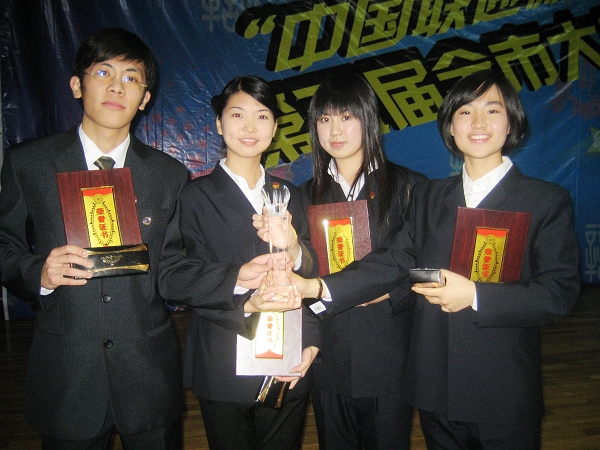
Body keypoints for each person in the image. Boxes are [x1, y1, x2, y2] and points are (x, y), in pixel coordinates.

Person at [291, 70, 580, 448]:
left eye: (492, 111)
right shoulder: (430, 198)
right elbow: (395, 260)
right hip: (435, 390)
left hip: (502, 389)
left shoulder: (544, 200)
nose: (478, 123)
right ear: (450, 128)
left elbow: (557, 292)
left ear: (511, 122)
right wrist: (317, 286)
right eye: (465, 112)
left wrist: (475, 294)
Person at [0, 28, 189, 449]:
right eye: (103, 72)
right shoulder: (29, 163)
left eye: (131, 77)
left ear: (145, 98)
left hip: (147, 371)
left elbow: (175, 266)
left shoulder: (169, 175)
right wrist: (38, 272)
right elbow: (3, 245)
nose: (116, 86)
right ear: (77, 84)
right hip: (68, 373)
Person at [158, 75, 320, 450]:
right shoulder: (193, 197)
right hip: (223, 360)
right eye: (237, 115)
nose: (250, 127)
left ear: (275, 128)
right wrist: (238, 280)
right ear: (218, 124)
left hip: (288, 357)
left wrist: (312, 341)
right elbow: (172, 278)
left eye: (262, 116)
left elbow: (312, 272)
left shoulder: (289, 193)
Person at [293, 71, 426, 449]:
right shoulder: (304, 196)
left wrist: (393, 294)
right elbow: (301, 268)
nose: (335, 129)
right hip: (328, 355)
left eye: (347, 116)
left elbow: (420, 260)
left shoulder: (410, 187)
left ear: (369, 119)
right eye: (325, 118)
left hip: (389, 352)